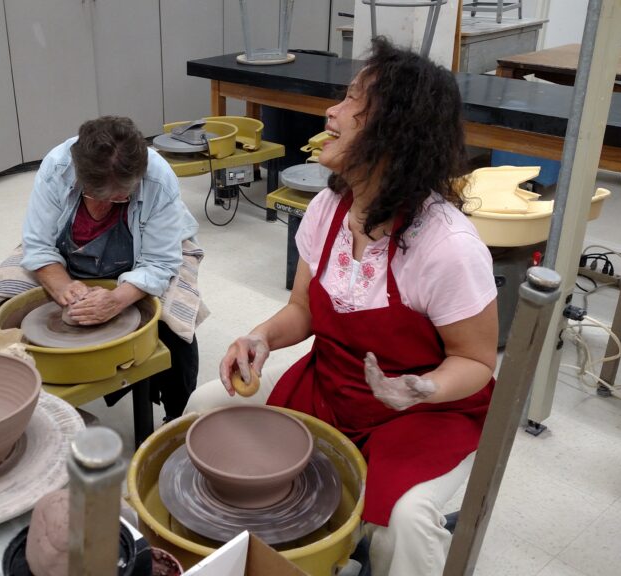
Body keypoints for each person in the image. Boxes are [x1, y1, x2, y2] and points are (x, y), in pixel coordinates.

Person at [185, 38, 497, 576]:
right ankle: (240, 555)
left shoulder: (447, 245)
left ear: (398, 131)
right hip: (331, 387)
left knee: (406, 520)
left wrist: (423, 388)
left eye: (355, 100)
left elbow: (476, 362)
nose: (331, 110)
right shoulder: (330, 208)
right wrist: (260, 337)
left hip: (423, 413)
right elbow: (303, 311)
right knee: (206, 408)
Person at [0, 116, 206, 420]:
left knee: (176, 327)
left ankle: (177, 417)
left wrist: (117, 299)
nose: (118, 201)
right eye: (104, 196)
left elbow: (160, 262)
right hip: (64, 254)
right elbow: (38, 245)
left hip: (152, 256)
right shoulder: (58, 167)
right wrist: (63, 287)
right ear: (81, 179)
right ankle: (30, 410)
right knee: (0, 305)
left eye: (124, 194)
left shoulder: (158, 178)